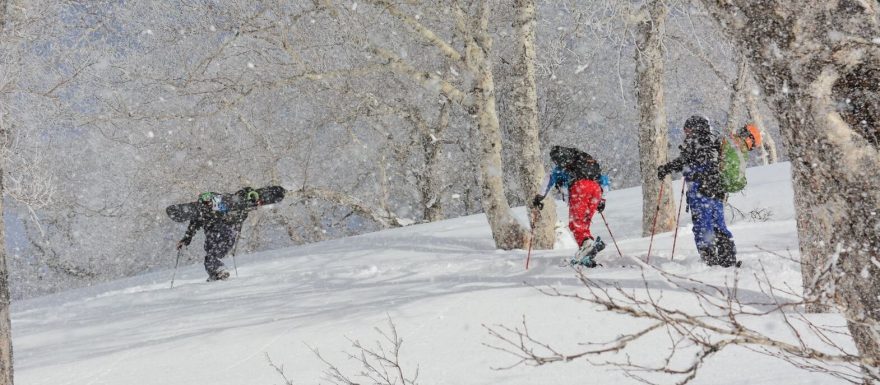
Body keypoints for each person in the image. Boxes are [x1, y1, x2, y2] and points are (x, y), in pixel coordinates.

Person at [657, 115, 739, 267]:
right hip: (716, 192)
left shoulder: (696, 143)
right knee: (718, 225)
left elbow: (683, 162)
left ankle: (710, 260)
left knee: (703, 227)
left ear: (696, 129)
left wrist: (666, 168)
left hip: (701, 193)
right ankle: (728, 258)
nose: (686, 134)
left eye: (688, 130)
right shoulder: (713, 143)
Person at [532, 145, 607, 267]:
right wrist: (602, 200)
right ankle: (587, 248)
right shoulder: (584, 162)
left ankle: (587, 245)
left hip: (580, 188)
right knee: (584, 222)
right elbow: (604, 179)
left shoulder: (560, 169)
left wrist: (539, 197)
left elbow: (548, 179)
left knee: (575, 223)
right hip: (596, 189)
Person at [176, 189, 259, 281]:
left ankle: (220, 270)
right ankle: (216, 274)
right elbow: (193, 227)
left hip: (221, 234)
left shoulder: (221, 205)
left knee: (211, 257)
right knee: (210, 257)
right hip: (222, 235)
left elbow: (236, 215)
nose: (208, 204)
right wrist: (185, 240)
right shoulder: (204, 211)